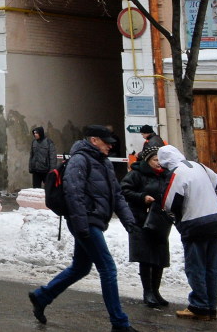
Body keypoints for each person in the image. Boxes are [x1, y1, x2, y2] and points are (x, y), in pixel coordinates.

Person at [28, 125, 139, 332]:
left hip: (92, 221)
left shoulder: (103, 162)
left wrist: (129, 222)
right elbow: (73, 193)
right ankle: (120, 323)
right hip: (86, 221)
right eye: (107, 142)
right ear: (94, 140)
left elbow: (117, 194)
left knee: (81, 267)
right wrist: (81, 226)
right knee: (108, 268)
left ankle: (42, 296)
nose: (111, 146)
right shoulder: (79, 160)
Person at [159, 143, 217, 320]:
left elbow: (170, 202)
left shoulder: (176, 173)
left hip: (194, 224)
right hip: (215, 221)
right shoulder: (199, 166)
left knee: (196, 266)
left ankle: (199, 305)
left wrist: (179, 216)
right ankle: (211, 306)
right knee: (212, 266)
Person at [120, 141, 173, 309]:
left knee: (160, 257)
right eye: (155, 159)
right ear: (148, 160)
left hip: (159, 221)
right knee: (146, 257)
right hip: (141, 220)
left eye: (160, 160)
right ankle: (147, 291)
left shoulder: (165, 174)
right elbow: (124, 191)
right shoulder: (137, 174)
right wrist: (142, 197)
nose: (159, 163)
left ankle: (156, 291)